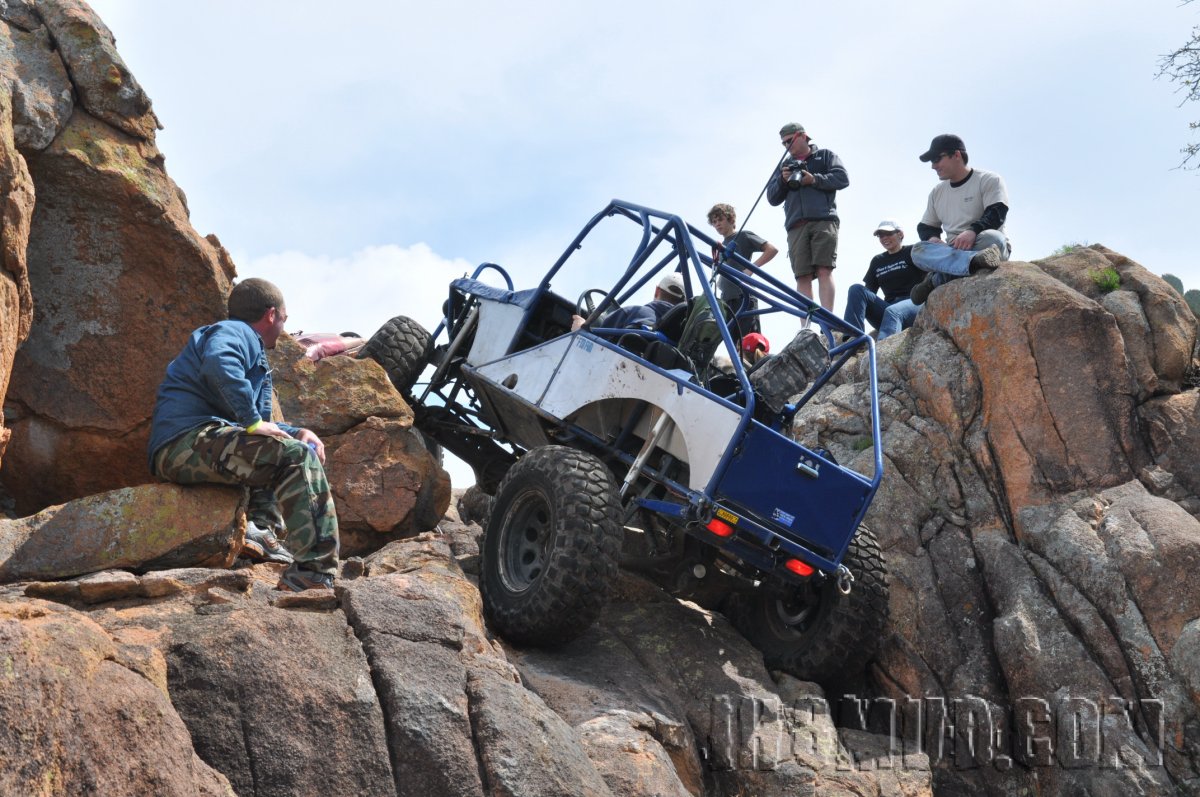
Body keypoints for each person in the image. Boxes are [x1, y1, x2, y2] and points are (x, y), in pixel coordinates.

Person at [147, 278, 340, 592]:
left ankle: (259, 533)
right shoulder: (237, 332)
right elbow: (218, 363)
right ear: (271, 315)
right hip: (186, 442)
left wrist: (299, 431)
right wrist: (252, 421)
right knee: (295, 458)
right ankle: (314, 571)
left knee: (287, 447)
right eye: (285, 320)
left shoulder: (245, 344)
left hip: (197, 442)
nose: (283, 328)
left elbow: (262, 429)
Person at [909, 134, 1010, 305]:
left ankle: (936, 280)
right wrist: (933, 238)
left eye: (936, 159)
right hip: (954, 249)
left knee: (994, 239)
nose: (933, 166)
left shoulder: (989, 179)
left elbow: (997, 213)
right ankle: (973, 262)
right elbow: (925, 226)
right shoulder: (937, 192)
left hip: (982, 243)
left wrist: (972, 231)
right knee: (917, 250)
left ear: (956, 155)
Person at [766, 122, 849, 313]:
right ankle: (806, 327)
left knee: (824, 269)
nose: (787, 146)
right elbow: (772, 198)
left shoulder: (825, 155)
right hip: (795, 225)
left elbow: (842, 178)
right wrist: (783, 180)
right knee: (801, 276)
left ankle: (828, 319)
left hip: (823, 219)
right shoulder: (784, 166)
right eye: (784, 144)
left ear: (803, 136)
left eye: (789, 141)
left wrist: (814, 179)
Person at [842, 220, 924, 340]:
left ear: (900, 234)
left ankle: (882, 356)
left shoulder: (912, 251)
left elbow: (930, 275)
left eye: (888, 233)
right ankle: (852, 338)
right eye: (881, 235)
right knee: (856, 289)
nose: (884, 238)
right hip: (888, 309)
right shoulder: (877, 261)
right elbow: (868, 293)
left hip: (914, 303)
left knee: (893, 312)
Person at [706, 203, 778, 332]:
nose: (717, 224)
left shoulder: (743, 236)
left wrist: (750, 269)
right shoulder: (721, 246)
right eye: (714, 221)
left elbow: (771, 250)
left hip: (743, 297)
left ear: (731, 219)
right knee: (732, 342)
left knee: (748, 342)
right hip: (726, 300)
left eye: (720, 219)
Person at [571, 272, 686, 332]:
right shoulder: (681, 335)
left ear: (657, 291)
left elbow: (594, 339)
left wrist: (580, 327)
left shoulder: (632, 313)